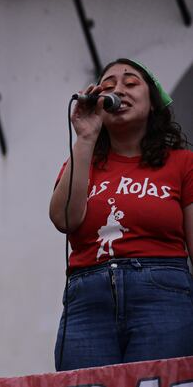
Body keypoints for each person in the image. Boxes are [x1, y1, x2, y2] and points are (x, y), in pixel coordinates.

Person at [49, 58, 193, 370]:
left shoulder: (182, 163)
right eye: (109, 85)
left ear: (153, 103)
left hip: (162, 294)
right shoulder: (83, 160)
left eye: (131, 83)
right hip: (88, 299)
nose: (118, 89)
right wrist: (85, 138)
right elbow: (63, 220)